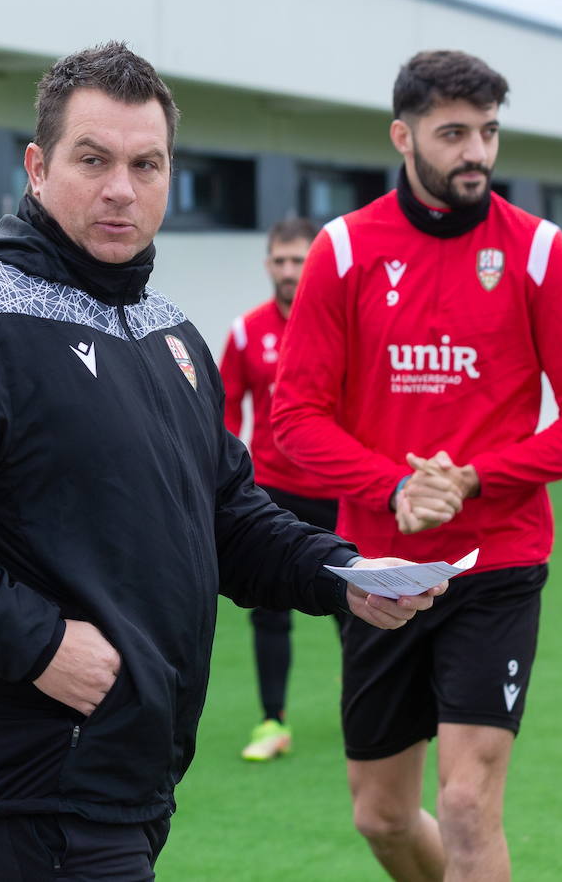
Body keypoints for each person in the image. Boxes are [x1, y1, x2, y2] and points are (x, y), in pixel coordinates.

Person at [0, 42, 444, 881]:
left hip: (127, 762)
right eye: (94, 159)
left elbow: (225, 512)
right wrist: (37, 643)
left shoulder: (168, 334)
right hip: (28, 771)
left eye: (145, 164)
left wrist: (344, 572)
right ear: (37, 169)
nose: (122, 188)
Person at [272, 50, 562, 882]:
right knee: (383, 817)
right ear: (404, 135)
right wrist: (394, 487)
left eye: (489, 133)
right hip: (381, 573)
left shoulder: (539, 253)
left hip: (497, 560)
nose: (477, 152)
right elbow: (294, 420)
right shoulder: (345, 249)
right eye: (454, 133)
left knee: (466, 806)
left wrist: (472, 479)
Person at [219, 216, 340, 762]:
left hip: (339, 491)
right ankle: (272, 722)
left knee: (356, 602)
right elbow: (223, 409)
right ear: (269, 265)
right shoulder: (247, 331)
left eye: (300, 259)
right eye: (282, 260)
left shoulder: (342, 326)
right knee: (269, 610)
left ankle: (366, 708)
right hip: (271, 493)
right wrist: (224, 474)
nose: (290, 270)